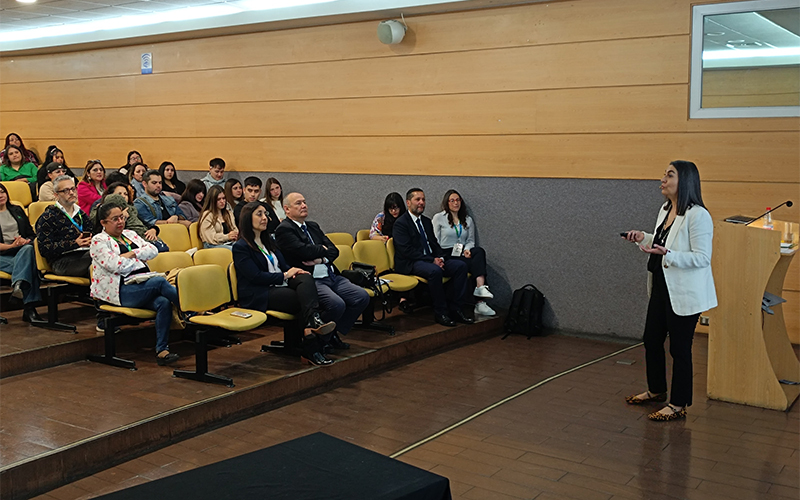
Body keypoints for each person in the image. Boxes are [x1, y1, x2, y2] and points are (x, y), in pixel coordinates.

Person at [623, 160, 717, 422]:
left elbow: (702, 257)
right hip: (661, 286)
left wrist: (670, 254)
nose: (663, 179)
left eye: (669, 175)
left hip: (685, 292)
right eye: (664, 174)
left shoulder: (699, 215)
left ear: (685, 180)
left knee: (680, 348)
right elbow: (662, 243)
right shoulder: (666, 209)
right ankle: (656, 390)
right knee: (651, 339)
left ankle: (678, 404)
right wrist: (643, 237)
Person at [234, 202, 337, 365]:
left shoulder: (269, 241)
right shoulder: (241, 247)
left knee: (306, 277)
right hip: (259, 292)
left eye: (266, 214)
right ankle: (311, 343)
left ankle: (311, 327)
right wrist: (284, 275)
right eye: (259, 214)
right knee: (302, 299)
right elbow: (255, 277)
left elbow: (284, 266)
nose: (265, 218)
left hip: (278, 285)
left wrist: (294, 271)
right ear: (248, 219)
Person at [275, 192, 369, 352]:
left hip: (331, 275)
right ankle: (318, 339)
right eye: (298, 203)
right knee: (336, 304)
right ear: (287, 209)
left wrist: (321, 259)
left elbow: (334, 251)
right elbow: (303, 251)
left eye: (304, 202)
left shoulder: (313, 226)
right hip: (311, 280)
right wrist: (322, 249)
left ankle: (329, 334)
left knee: (361, 297)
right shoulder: (284, 229)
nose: (304, 205)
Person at [91, 203, 180, 366]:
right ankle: (191, 310)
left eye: (122, 218)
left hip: (141, 283)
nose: (120, 222)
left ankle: (162, 351)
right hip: (120, 291)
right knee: (160, 282)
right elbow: (115, 265)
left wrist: (132, 254)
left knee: (163, 302)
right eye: (115, 219)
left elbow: (153, 250)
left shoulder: (129, 234)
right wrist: (138, 259)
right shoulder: (99, 241)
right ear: (103, 222)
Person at [393, 188, 472, 327]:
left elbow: (435, 244)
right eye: (417, 199)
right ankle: (440, 312)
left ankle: (456, 309)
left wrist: (440, 258)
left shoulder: (426, 222)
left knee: (461, 266)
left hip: (430, 259)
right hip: (412, 262)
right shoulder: (401, 223)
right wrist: (432, 260)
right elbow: (407, 251)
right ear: (408, 202)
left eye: (423, 199)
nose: (421, 202)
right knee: (434, 271)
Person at [432, 190, 495, 317]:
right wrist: (438, 257)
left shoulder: (467, 219)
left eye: (458, 200)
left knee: (479, 252)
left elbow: (471, 240)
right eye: (452, 200)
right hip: (446, 252)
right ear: (447, 202)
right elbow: (434, 240)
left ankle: (480, 289)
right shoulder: (439, 218)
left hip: (462, 252)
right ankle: (479, 301)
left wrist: (467, 249)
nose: (456, 203)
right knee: (467, 266)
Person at [0, 183, 42, 322]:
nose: (1, 195)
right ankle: (30, 309)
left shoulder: (17, 210)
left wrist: (25, 240)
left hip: (21, 251)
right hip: (3, 255)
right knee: (29, 266)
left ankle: (18, 285)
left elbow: (31, 234)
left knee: (29, 248)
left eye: (2, 192)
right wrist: (11, 245)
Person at [35, 175, 93, 277]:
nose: (71, 193)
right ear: (56, 195)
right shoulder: (48, 217)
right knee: (100, 257)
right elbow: (45, 249)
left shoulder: (81, 214)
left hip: (85, 254)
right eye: (66, 191)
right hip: (62, 262)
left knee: (104, 254)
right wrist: (75, 243)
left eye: (73, 189)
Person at [90, 182, 168, 252]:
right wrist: (122, 217)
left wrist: (153, 229)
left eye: (125, 194)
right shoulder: (101, 210)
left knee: (163, 248)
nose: (123, 196)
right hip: (128, 243)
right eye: (119, 194)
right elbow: (102, 228)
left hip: (145, 236)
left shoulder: (132, 209)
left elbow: (144, 223)